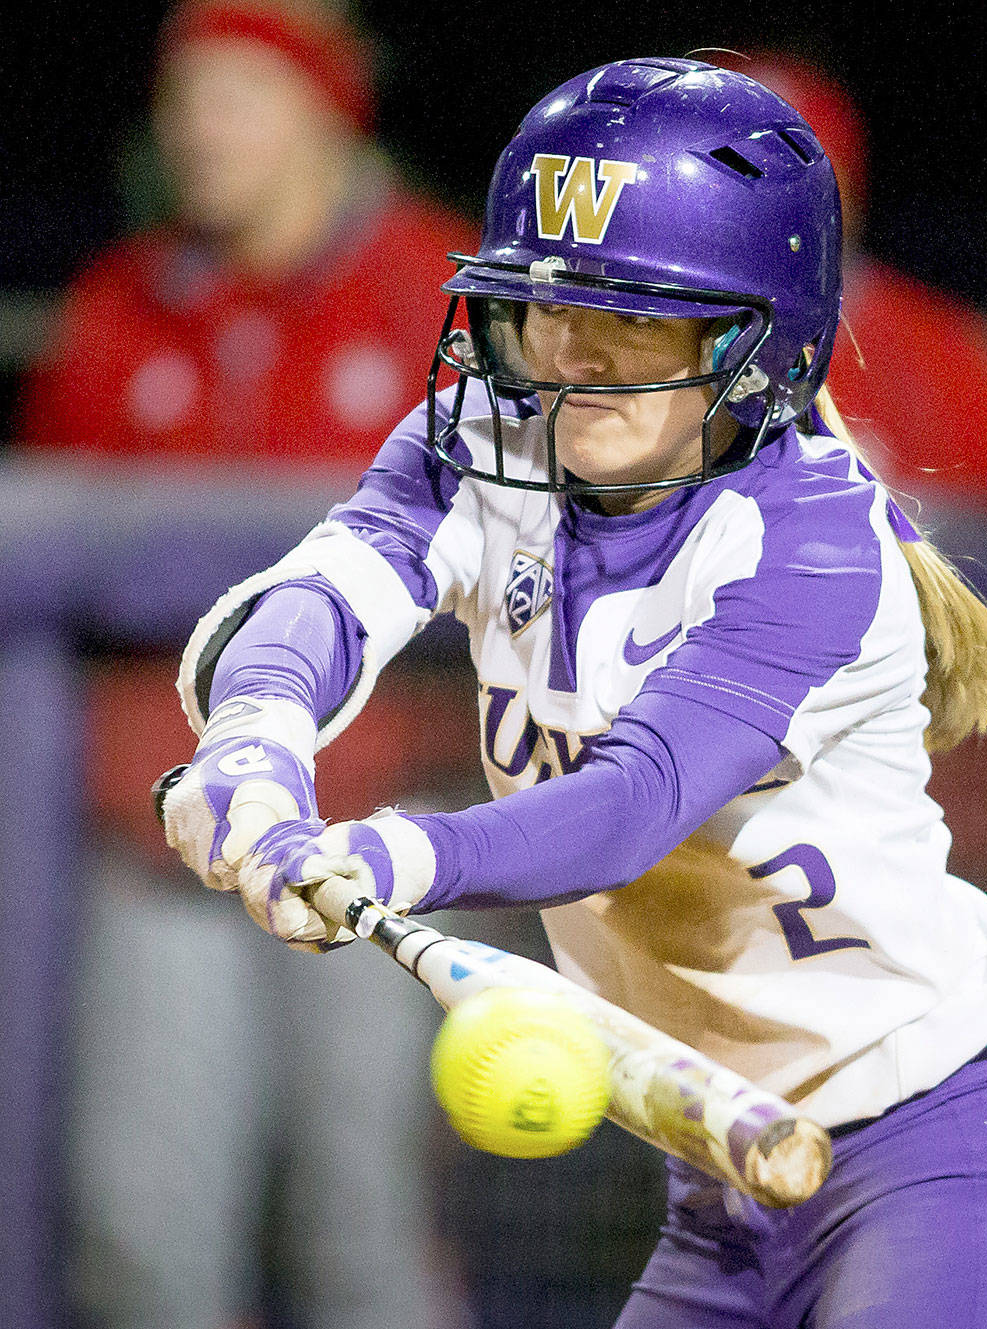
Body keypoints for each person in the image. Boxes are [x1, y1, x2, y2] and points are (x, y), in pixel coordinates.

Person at [161, 58, 987, 1327]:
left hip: (946, 1159)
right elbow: (326, 596)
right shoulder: (490, 439)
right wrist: (256, 735)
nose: (571, 354)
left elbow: (633, 804)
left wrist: (388, 854)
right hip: (724, 1190)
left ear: (755, 343)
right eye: (545, 307)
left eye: (635, 318)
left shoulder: (813, 537)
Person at [18, 2, 477, 1325]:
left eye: (236, 93)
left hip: (380, 841)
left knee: (366, 1235)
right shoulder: (125, 307)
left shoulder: (444, 299)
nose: (197, 128)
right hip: (169, 842)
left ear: (323, 107)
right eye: (184, 96)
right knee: (142, 1244)